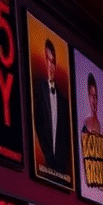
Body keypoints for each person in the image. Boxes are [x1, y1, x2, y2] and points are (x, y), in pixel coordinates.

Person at [33, 37, 71, 176]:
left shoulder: (63, 101)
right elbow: (38, 124)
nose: (50, 65)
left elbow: (66, 138)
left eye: (53, 61)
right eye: (47, 60)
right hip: (44, 160)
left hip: (60, 166)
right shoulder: (38, 88)